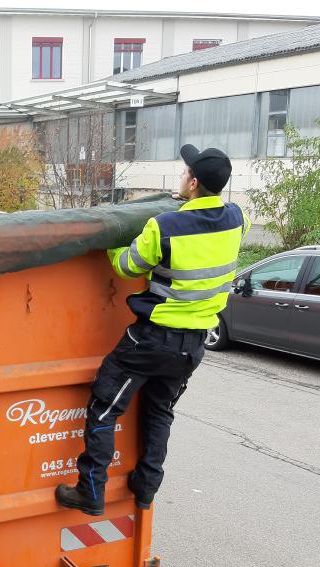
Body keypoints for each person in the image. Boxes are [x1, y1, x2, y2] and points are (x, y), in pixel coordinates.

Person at [56, 144, 250, 516]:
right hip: (193, 346)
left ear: (193, 182)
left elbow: (127, 266)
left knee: (104, 406)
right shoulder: (237, 219)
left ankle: (90, 490)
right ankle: (145, 489)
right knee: (160, 411)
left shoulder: (165, 226)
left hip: (152, 340)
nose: (181, 176)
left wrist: (112, 240)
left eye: (185, 173)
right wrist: (191, 202)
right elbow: (210, 224)